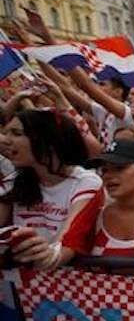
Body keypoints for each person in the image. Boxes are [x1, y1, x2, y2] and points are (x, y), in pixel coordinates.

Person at [1, 109, 103, 269]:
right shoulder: (13, 182)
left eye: (16, 133)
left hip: (67, 286)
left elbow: (68, 242)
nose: (5, 141)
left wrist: (47, 254)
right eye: (5, 133)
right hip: (18, 285)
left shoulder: (86, 183)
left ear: (48, 141)